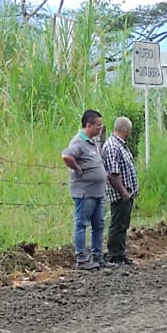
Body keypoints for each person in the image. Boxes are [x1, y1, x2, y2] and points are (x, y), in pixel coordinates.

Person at [61, 108, 108, 269]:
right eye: (98, 126)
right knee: (81, 224)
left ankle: (97, 255)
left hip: (97, 192)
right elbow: (66, 156)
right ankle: (81, 258)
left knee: (99, 224)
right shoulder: (78, 142)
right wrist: (77, 169)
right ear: (88, 125)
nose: (100, 129)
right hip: (85, 192)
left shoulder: (92, 142)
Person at [101, 116, 139, 266]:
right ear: (125, 130)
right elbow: (113, 174)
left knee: (123, 224)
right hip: (120, 194)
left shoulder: (120, 145)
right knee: (117, 224)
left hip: (126, 193)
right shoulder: (112, 147)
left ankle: (121, 254)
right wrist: (123, 192)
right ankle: (114, 254)